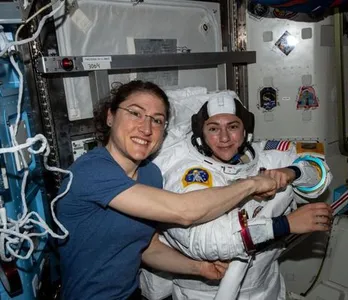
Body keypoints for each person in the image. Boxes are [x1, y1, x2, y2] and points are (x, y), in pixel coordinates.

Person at [55, 81, 279, 300]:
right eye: (135, 113)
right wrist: (252, 184)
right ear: (110, 116)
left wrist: (199, 268)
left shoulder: (150, 174)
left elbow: (148, 248)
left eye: (157, 120)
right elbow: (183, 211)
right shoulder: (91, 171)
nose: (146, 128)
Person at [140, 92, 333, 300]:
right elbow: (205, 242)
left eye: (232, 127)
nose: (224, 138)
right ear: (201, 133)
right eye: (213, 128)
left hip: (267, 287)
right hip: (204, 294)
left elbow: (320, 173)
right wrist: (285, 224)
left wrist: (292, 172)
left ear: (245, 130)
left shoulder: (266, 157)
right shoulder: (189, 174)